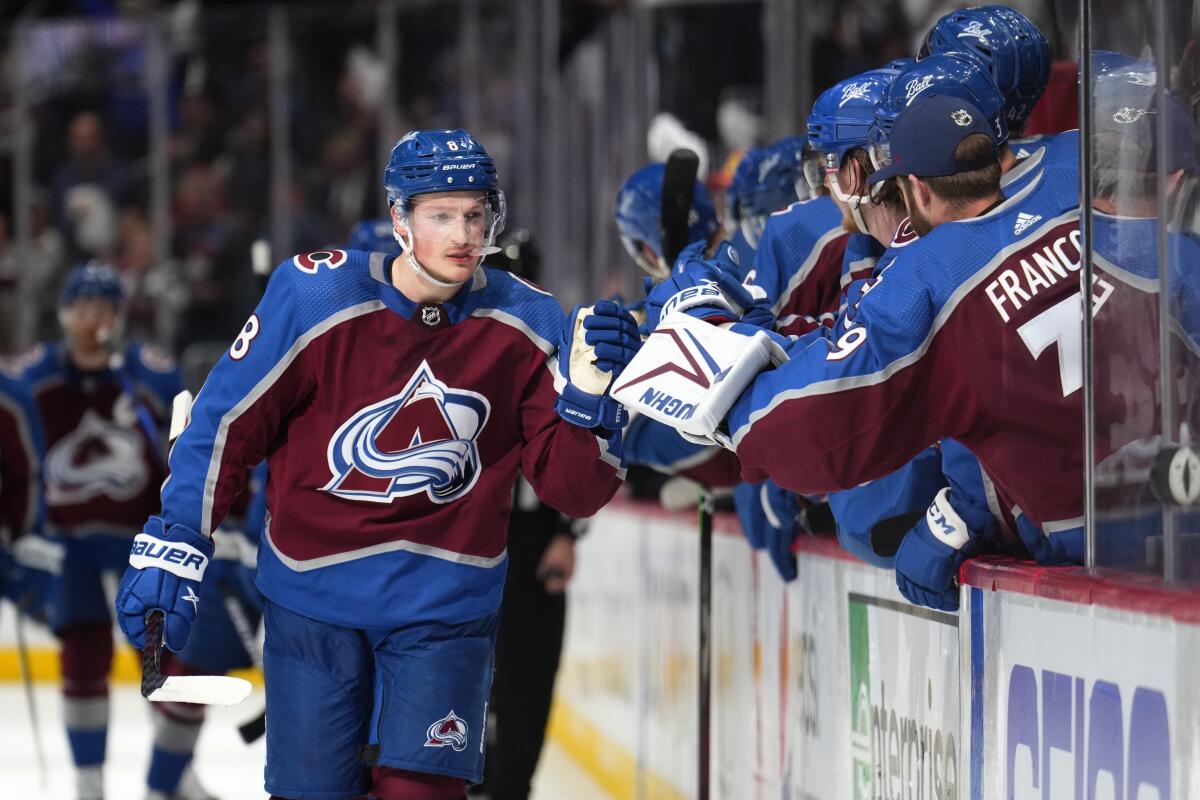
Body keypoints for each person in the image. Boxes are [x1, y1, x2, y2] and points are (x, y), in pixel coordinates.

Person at [113, 128, 633, 800]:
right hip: (313, 603)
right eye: (440, 215)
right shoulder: (313, 299)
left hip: (444, 610)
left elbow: (575, 489)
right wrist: (178, 540)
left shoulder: (528, 321)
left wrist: (591, 399)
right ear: (398, 220)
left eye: (475, 213)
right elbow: (223, 427)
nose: (463, 232)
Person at [627, 93, 1094, 605]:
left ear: (912, 185)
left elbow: (799, 425)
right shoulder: (1076, 174)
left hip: (1082, 560)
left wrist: (701, 328)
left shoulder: (929, 276)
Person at [19, 262, 200, 800]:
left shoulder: (150, 374)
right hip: (65, 541)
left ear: (120, 317)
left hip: (139, 539)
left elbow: (182, 454)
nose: (91, 318)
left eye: (103, 307)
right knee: (84, 648)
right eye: (81, 306)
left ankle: (171, 779)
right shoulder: (35, 377)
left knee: (169, 652)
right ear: (62, 313)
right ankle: (88, 784)